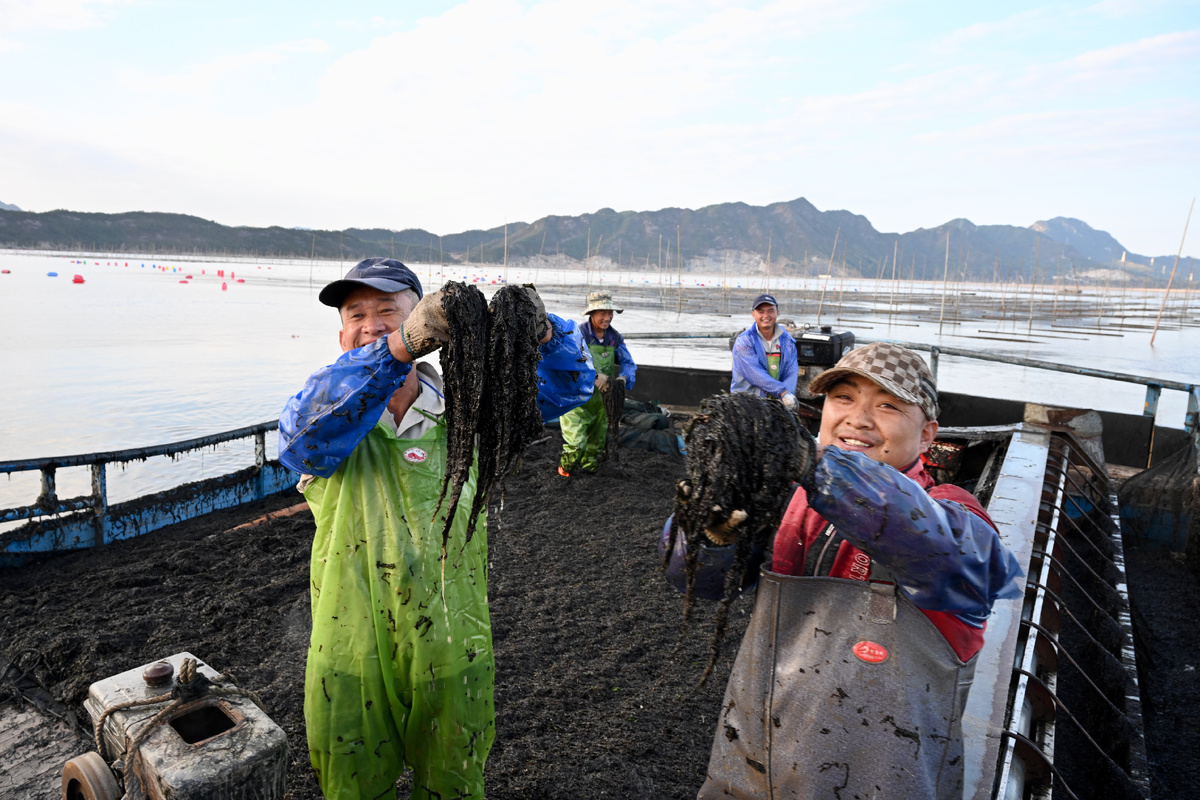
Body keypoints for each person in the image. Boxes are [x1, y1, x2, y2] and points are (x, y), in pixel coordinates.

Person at [277, 258, 595, 800]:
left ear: (425, 321)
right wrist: (396, 346)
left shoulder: (468, 413)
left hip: (453, 640)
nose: (371, 324)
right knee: (351, 781)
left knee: (453, 779)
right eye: (356, 315)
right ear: (341, 331)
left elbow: (570, 388)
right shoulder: (323, 409)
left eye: (387, 311)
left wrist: (544, 332)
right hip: (350, 647)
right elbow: (301, 439)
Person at [663, 341, 1023, 799]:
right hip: (749, 761)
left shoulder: (952, 513)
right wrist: (710, 534)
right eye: (843, 398)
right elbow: (699, 583)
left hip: (883, 778)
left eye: (888, 405)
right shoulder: (788, 502)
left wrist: (818, 465)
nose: (858, 419)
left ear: (929, 434)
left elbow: (958, 561)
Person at [557, 290, 637, 476]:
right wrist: (593, 377)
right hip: (575, 401)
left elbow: (628, 363)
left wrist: (624, 378)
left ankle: (588, 477)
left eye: (610, 313)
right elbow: (565, 363)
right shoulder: (578, 335)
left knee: (596, 447)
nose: (608, 317)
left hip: (601, 403)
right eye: (603, 313)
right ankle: (564, 471)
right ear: (592, 314)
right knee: (576, 444)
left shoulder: (614, 338)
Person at [730, 293, 799, 410]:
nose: (766, 315)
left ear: (778, 312)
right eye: (761, 312)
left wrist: (788, 395)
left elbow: (791, 371)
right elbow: (754, 374)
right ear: (753, 314)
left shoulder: (787, 341)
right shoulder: (744, 341)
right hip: (746, 404)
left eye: (770, 311)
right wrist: (782, 392)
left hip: (776, 404)